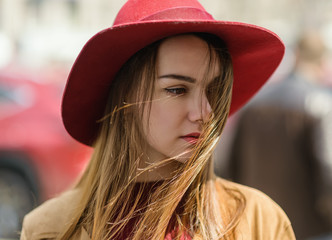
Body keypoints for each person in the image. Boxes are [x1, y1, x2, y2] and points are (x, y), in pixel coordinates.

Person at [20, 0, 295, 239]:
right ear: (125, 98)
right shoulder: (50, 229)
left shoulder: (258, 221)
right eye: (176, 89)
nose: (205, 112)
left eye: (214, 91)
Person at [227, 31, 332, 239]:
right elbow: (328, 169)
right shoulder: (321, 104)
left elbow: (230, 163)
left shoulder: (256, 101)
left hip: (261, 223)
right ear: (322, 61)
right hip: (310, 228)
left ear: (297, 55)